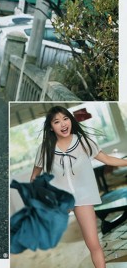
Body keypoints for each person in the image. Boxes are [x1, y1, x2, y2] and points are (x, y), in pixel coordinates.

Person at [30, 106, 127, 268]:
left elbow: (107, 159)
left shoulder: (83, 141)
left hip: (82, 197)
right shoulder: (45, 148)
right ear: (51, 127)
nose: (62, 124)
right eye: (56, 121)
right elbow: (35, 177)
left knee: (93, 244)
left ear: (71, 120)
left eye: (65, 119)